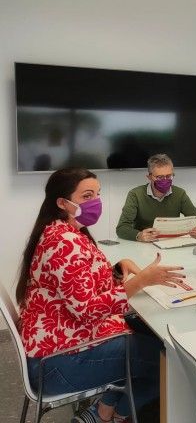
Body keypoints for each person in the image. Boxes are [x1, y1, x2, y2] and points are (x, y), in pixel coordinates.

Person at [17, 168, 186, 423]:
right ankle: (112, 413)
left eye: (97, 194)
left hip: (59, 348)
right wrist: (140, 281)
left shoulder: (64, 231)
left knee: (152, 340)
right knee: (170, 361)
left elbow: (84, 284)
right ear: (62, 203)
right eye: (87, 196)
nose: (96, 202)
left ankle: (105, 411)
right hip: (57, 364)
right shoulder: (63, 242)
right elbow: (86, 310)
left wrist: (117, 271)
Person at [116, 153, 196, 242]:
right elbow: (121, 228)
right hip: (144, 245)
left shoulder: (180, 193)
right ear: (149, 177)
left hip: (171, 243)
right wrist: (139, 235)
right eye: (160, 177)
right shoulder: (135, 194)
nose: (165, 180)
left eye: (169, 176)